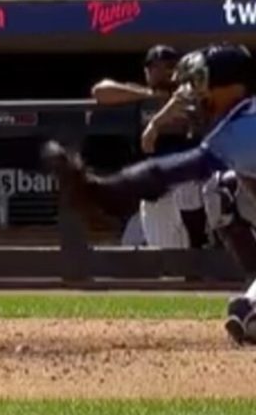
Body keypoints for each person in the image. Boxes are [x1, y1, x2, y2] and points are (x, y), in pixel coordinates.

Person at [46, 44, 256, 345]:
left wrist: (102, 188)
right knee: (227, 188)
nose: (195, 94)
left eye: (201, 83)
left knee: (223, 189)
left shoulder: (242, 130)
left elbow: (166, 173)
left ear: (233, 87)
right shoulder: (241, 120)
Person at [91, 45, 208, 249]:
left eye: (169, 66)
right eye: (156, 67)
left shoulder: (193, 94)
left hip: (191, 183)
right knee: (168, 259)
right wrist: (149, 96)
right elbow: (100, 91)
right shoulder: (138, 96)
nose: (163, 72)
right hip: (157, 190)